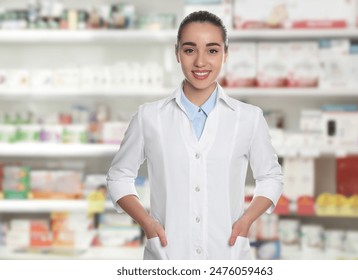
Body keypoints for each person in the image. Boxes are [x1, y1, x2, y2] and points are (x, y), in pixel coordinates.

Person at [106, 10, 283, 260]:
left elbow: (271, 177)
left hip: (227, 255)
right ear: (177, 53)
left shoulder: (248, 118)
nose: (200, 62)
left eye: (212, 50)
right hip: (167, 256)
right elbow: (118, 177)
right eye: (190, 50)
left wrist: (247, 220)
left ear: (225, 54)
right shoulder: (150, 117)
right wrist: (147, 223)